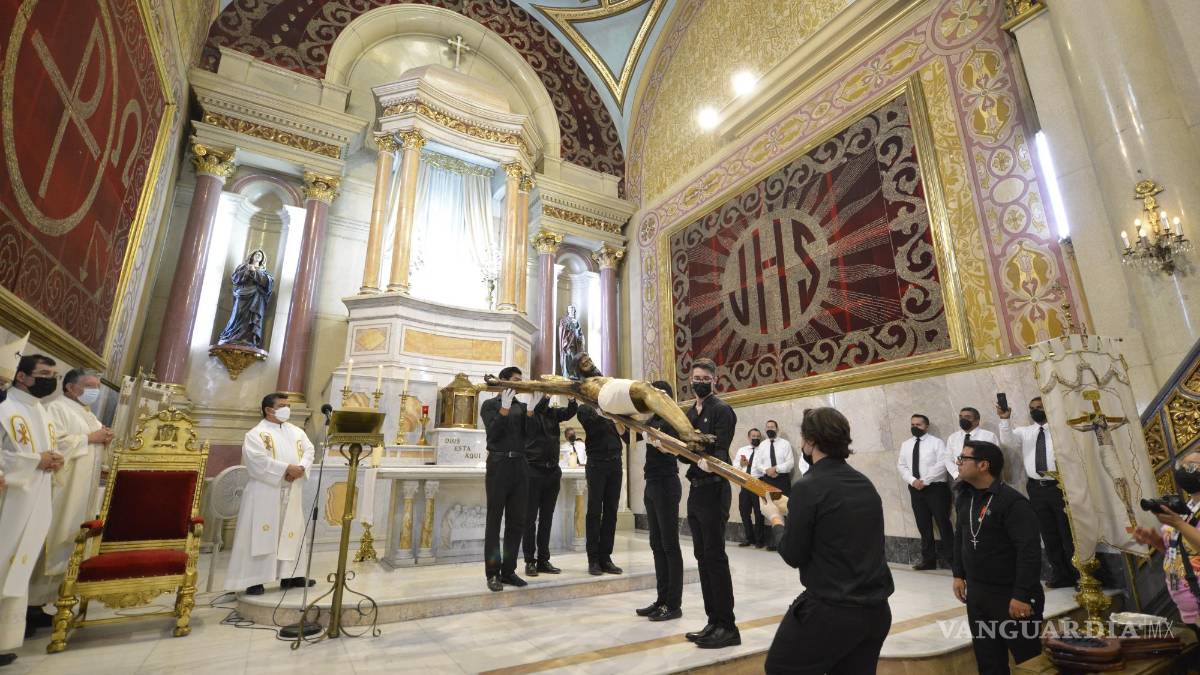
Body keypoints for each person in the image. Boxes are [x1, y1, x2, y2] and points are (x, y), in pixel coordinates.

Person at [758, 407, 894, 673]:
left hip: (832, 611)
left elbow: (792, 554)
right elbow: (836, 523)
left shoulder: (808, 486)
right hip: (876, 610)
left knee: (780, 668)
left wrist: (775, 518)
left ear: (809, 442)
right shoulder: (863, 482)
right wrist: (795, 509)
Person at [952, 440, 1044, 675]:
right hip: (978, 593)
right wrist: (958, 574)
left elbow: (1029, 551)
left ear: (983, 465)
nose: (958, 463)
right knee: (989, 662)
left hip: (1011, 594)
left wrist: (1021, 595)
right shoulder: (965, 496)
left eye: (964, 458)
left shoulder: (1013, 502)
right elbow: (961, 536)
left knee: (1029, 661)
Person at [0, 354, 62, 666]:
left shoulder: (44, 412)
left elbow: (48, 451)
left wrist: (54, 460)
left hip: (34, 500)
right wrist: (35, 461)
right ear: (22, 377)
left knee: (19, 565)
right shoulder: (5, 408)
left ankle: (5, 639)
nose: (50, 379)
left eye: (53, 374)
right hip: (8, 501)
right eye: (43, 373)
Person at [37, 369, 113, 610]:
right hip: (64, 487)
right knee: (53, 538)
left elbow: (92, 438)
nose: (95, 391)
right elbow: (53, 444)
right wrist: (91, 438)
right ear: (70, 387)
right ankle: (32, 604)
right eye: (90, 386)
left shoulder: (85, 411)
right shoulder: (56, 408)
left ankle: (55, 598)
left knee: (74, 537)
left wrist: (104, 439)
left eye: (97, 387)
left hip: (82, 488)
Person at [225, 393, 315, 595]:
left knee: (290, 531)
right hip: (266, 491)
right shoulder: (256, 434)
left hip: (291, 491)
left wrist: (300, 468)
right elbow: (256, 461)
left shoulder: (297, 431)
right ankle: (255, 579)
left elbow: (309, 451)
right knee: (261, 533)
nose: (287, 409)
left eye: (289, 405)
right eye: (283, 405)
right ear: (268, 409)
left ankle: (290, 576)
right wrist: (286, 470)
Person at [681, 358, 740, 649]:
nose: (699, 381)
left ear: (714, 380)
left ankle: (728, 626)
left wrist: (710, 462)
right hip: (695, 489)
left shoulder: (721, 410)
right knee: (702, 557)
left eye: (705, 377)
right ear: (690, 380)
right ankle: (712, 621)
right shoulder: (691, 411)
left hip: (714, 489)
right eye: (696, 377)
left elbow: (720, 449)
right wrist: (665, 446)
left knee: (715, 557)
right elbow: (685, 450)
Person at [998, 397, 1077, 588]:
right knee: (1048, 532)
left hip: (1060, 487)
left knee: (1067, 533)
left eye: (1039, 408)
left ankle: (1078, 575)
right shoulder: (1026, 432)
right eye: (1032, 408)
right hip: (1036, 488)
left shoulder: (1061, 430)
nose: (1035, 411)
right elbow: (1007, 441)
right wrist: (1005, 420)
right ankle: (1060, 574)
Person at [1130, 450, 1200, 635]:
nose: (1185, 470)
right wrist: (1155, 541)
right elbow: (1181, 550)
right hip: (1189, 608)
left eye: (1192, 467)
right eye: (1183, 465)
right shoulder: (1189, 507)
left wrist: (1177, 523)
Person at [635, 380, 684, 623]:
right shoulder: (654, 417)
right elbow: (631, 433)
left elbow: (679, 449)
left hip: (666, 483)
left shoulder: (674, 417)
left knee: (669, 545)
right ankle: (661, 599)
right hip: (651, 482)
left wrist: (661, 444)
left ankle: (673, 604)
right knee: (656, 544)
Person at [480, 366, 531, 591]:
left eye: (521, 381)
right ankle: (493, 573)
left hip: (520, 465)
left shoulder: (521, 407)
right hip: (499, 464)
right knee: (494, 520)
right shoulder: (489, 405)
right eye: (515, 380)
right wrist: (503, 409)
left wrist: (532, 411)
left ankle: (509, 571)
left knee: (516, 521)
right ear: (502, 381)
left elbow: (530, 436)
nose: (518, 384)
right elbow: (493, 433)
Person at [522, 393, 577, 577]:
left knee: (547, 518)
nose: (546, 398)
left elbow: (569, 412)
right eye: (543, 395)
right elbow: (528, 425)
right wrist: (541, 399)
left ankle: (543, 559)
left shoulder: (553, 413)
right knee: (529, 519)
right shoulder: (529, 413)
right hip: (533, 470)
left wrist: (571, 399)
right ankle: (530, 560)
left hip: (552, 472)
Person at [898, 413, 952, 570]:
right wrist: (913, 481)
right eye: (912, 425)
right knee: (923, 525)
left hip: (935, 488)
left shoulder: (936, 443)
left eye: (918, 425)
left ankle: (953, 560)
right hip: (915, 489)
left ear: (926, 426)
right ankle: (928, 561)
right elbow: (902, 465)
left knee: (943, 524)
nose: (915, 427)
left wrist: (925, 480)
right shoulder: (906, 444)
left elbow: (943, 463)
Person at [577, 402, 625, 576]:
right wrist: (602, 412)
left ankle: (606, 557)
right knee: (594, 511)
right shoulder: (584, 409)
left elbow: (624, 434)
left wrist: (614, 414)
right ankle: (593, 559)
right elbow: (592, 428)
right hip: (596, 463)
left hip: (615, 463)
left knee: (611, 511)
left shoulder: (614, 409)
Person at [944, 407, 998, 481]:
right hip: (959, 480)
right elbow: (948, 458)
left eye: (967, 417)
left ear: (977, 420)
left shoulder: (989, 436)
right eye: (961, 417)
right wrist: (956, 474)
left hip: (982, 479)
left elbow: (995, 459)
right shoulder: (953, 437)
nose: (963, 420)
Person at [734, 429, 765, 548]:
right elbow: (735, 466)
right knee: (744, 511)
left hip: (758, 482)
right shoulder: (742, 450)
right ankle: (749, 538)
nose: (755, 438)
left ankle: (759, 540)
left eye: (758, 436)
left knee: (758, 512)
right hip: (745, 482)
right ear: (748, 437)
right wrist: (742, 465)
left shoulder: (763, 450)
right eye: (753, 436)